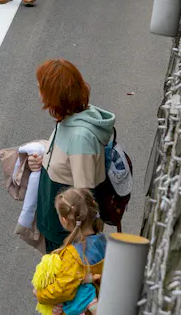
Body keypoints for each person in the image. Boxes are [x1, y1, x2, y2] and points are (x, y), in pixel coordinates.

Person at [26, 59, 116, 251]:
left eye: (42, 87)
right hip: (58, 224)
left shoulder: (80, 138)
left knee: (59, 270)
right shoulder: (70, 118)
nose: (39, 92)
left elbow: (84, 196)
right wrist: (44, 160)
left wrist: (74, 244)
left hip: (66, 234)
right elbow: (66, 159)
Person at [30, 187, 106, 315]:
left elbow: (62, 289)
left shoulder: (72, 255)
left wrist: (40, 294)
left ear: (64, 220)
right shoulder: (102, 240)